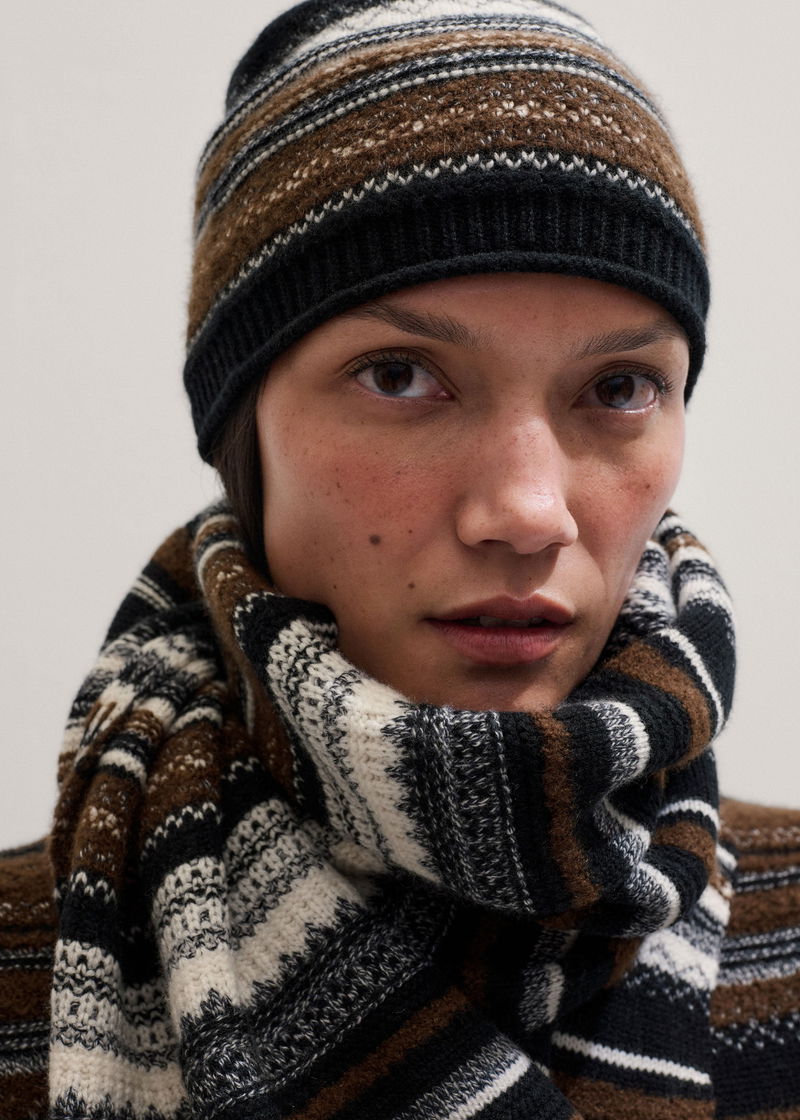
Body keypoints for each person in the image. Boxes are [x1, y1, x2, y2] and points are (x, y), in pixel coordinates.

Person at [2, 2, 799, 1118]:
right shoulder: (26, 973)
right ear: (243, 434)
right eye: (398, 376)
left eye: (618, 387)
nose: (526, 514)